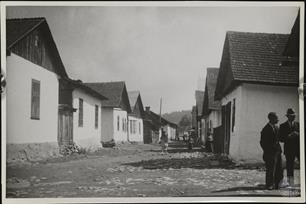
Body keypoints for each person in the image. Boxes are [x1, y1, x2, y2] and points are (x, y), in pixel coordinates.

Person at [260, 112, 283, 190]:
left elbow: (279, 139)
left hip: (278, 152)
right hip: (270, 153)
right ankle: (269, 184)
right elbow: (262, 143)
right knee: (270, 170)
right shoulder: (265, 129)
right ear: (271, 119)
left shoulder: (276, 127)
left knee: (279, 169)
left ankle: (277, 184)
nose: (278, 119)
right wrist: (269, 151)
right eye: (276, 118)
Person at [279, 108, 300, 187]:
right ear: (287, 116)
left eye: (294, 115)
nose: (293, 117)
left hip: (298, 148)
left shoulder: (299, 124)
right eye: (291, 116)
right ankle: (290, 182)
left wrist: (298, 134)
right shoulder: (282, 126)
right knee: (289, 166)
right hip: (289, 149)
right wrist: (289, 136)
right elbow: (280, 138)